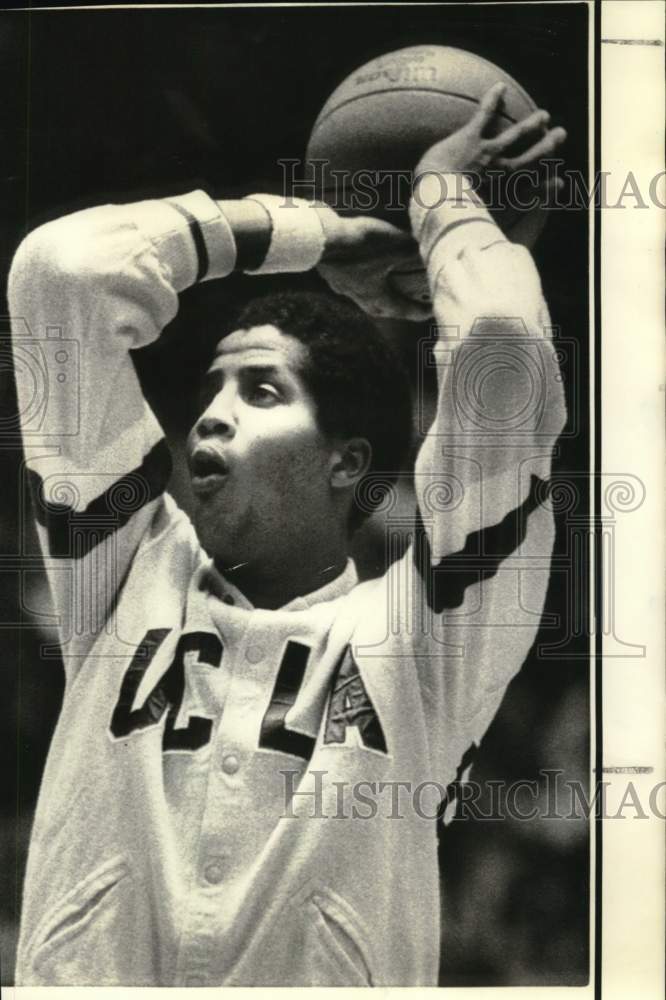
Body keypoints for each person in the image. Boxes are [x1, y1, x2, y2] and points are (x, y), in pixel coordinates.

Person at [8, 84, 566, 986]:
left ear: (347, 463)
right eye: (211, 393)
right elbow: (59, 272)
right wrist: (319, 235)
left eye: (261, 391)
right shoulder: (119, 570)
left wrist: (445, 211)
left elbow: (501, 348)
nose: (210, 419)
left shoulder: (433, 641)